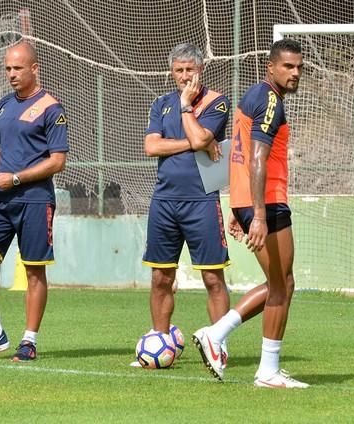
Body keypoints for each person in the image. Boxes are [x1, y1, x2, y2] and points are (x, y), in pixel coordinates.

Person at [192, 38, 308, 388]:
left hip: (251, 200)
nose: (295, 72)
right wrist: (256, 213)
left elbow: (237, 152)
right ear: (270, 67)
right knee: (281, 286)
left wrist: (240, 205)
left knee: (282, 283)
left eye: (300, 67)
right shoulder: (270, 101)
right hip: (267, 202)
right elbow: (256, 157)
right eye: (288, 66)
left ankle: (222, 335)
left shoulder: (254, 95)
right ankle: (263, 367)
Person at [0, 42, 68, 361]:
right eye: (7, 68)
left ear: (34, 69)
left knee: (34, 271)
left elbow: (57, 161)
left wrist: (17, 177)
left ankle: (29, 341)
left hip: (35, 200)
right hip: (0, 199)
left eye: (17, 68)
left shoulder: (52, 108)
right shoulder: (4, 105)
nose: (11, 74)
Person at [142, 43, 231, 358]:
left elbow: (199, 138)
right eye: (178, 71)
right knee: (160, 276)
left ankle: (218, 346)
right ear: (172, 72)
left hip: (202, 200)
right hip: (164, 201)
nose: (183, 76)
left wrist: (185, 106)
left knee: (212, 276)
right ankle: (160, 342)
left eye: (189, 70)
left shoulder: (216, 101)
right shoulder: (160, 104)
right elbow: (151, 147)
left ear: (200, 70)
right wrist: (193, 144)